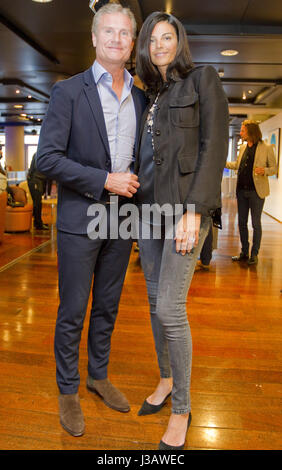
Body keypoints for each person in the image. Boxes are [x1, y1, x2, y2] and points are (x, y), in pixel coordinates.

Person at [36, 3, 146, 437]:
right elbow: (46, 159)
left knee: (108, 304)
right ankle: (67, 390)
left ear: (132, 43)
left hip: (121, 220)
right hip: (82, 215)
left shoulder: (140, 96)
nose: (116, 39)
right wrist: (106, 180)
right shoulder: (68, 92)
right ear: (95, 39)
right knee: (74, 308)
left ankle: (97, 376)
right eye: (109, 32)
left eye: (124, 33)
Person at [135, 12, 229, 450]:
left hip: (184, 213)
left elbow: (214, 146)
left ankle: (182, 408)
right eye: (152, 40)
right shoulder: (150, 94)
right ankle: (167, 377)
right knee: (155, 302)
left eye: (167, 37)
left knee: (171, 309)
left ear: (179, 40)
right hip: (149, 212)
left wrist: (195, 211)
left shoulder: (201, 80)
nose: (159, 46)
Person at [226, 120, 277, 265]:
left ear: (251, 132)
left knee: (255, 223)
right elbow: (236, 165)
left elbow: (274, 168)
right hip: (241, 191)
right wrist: (221, 162)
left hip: (256, 192)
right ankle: (244, 251)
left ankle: (254, 254)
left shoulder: (266, 147)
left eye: (243, 131)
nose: (240, 133)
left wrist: (265, 171)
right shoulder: (242, 147)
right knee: (241, 223)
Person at [27, 152, 49, 230]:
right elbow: (34, 169)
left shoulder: (43, 154)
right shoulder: (39, 154)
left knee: (37, 203)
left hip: (38, 180)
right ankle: (38, 224)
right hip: (35, 180)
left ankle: (38, 222)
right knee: (37, 203)